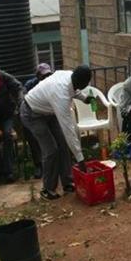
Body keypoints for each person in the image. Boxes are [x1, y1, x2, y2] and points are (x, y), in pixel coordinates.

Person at [20, 66, 95, 200]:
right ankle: (47, 189)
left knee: (63, 143)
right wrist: (80, 159)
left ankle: (67, 182)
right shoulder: (61, 96)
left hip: (48, 110)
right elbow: (69, 130)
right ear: (82, 83)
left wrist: (84, 98)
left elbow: (73, 90)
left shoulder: (70, 76)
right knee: (51, 150)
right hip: (32, 113)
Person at [21, 63, 54, 181]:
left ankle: (54, 164)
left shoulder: (52, 84)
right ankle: (38, 165)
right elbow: (24, 100)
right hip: (34, 116)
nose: (46, 78)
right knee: (31, 134)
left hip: (48, 115)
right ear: (38, 76)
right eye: (44, 76)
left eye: (48, 75)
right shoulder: (30, 85)